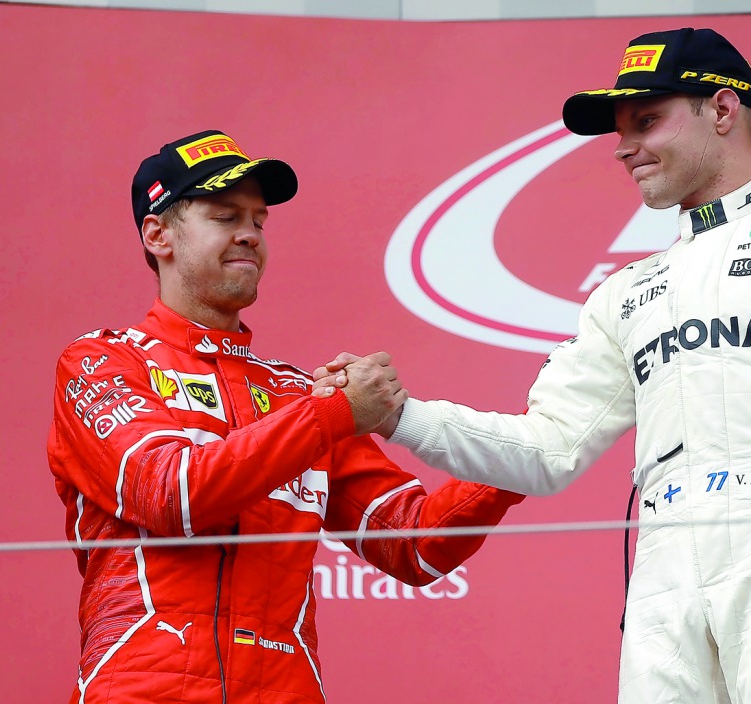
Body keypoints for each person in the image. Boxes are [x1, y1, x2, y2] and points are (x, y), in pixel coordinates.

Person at [324, 28, 751, 703]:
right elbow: (549, 448)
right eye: (620, 129)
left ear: (723, 111)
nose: (623, 147)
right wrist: (401, 416)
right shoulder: (629, 290)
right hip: (662, 561)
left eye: (647, 121)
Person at [47, 129, 523, 703]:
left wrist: (518, 452)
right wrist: (333, 415)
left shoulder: (298, 395)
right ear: (158, 235)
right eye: (225, 216)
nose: (249, 233)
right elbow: (171, 494)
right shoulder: (101, 362)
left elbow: (415, 546)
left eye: (259, 220)